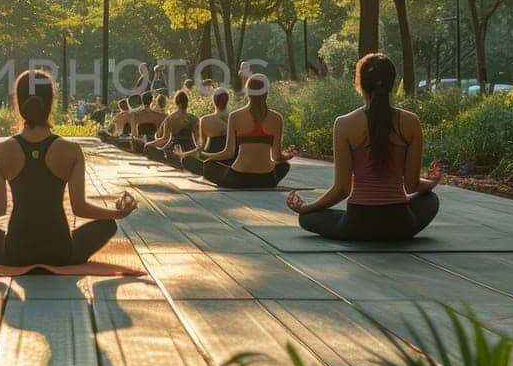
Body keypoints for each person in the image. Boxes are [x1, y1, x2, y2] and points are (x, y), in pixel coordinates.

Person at [0, 69, 138, 266]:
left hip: (16, 253)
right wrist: (118, 214)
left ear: (19, 104)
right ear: (50, 103)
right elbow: (80, 208)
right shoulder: (71, 150)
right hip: (61, 253)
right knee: (108, 225)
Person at [287, 53, 441, 242]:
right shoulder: (411, 122)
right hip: (400, 225)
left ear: (359, 84)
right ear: (392, 83)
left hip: (357, 225)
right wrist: (432, 182)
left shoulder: (344, 124)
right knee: (430, 200)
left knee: (308, 218)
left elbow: (342, 189)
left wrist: (307, 208)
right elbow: (411, 186)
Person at [178, 74, 294, 188]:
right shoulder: (277, 118)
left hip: (239, 178)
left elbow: (229, 152)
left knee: (209, 165)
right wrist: (287, 156)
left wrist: (205, 155)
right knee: (284, 165)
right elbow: (276, 157)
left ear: (247, 91)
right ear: (266, 92)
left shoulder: (235, 116)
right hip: (267, 179)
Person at [178, 87, 230, 176]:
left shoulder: (205, 120)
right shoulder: (234, 118)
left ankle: (209, 172)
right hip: (228, 161)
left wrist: (184, 154)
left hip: (210, 161)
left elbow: (201, 147)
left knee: (186, 160)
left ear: (213, 101)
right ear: (227, 101)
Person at [143, 90, 197, 163]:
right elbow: (198, 141)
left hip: (172, 149)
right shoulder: (194, 118)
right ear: (187, 103)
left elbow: (164, 139)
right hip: (189, 149)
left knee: (148, 147)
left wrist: (148, 144)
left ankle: (169, 158)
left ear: (176, 103)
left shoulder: (170, 118)